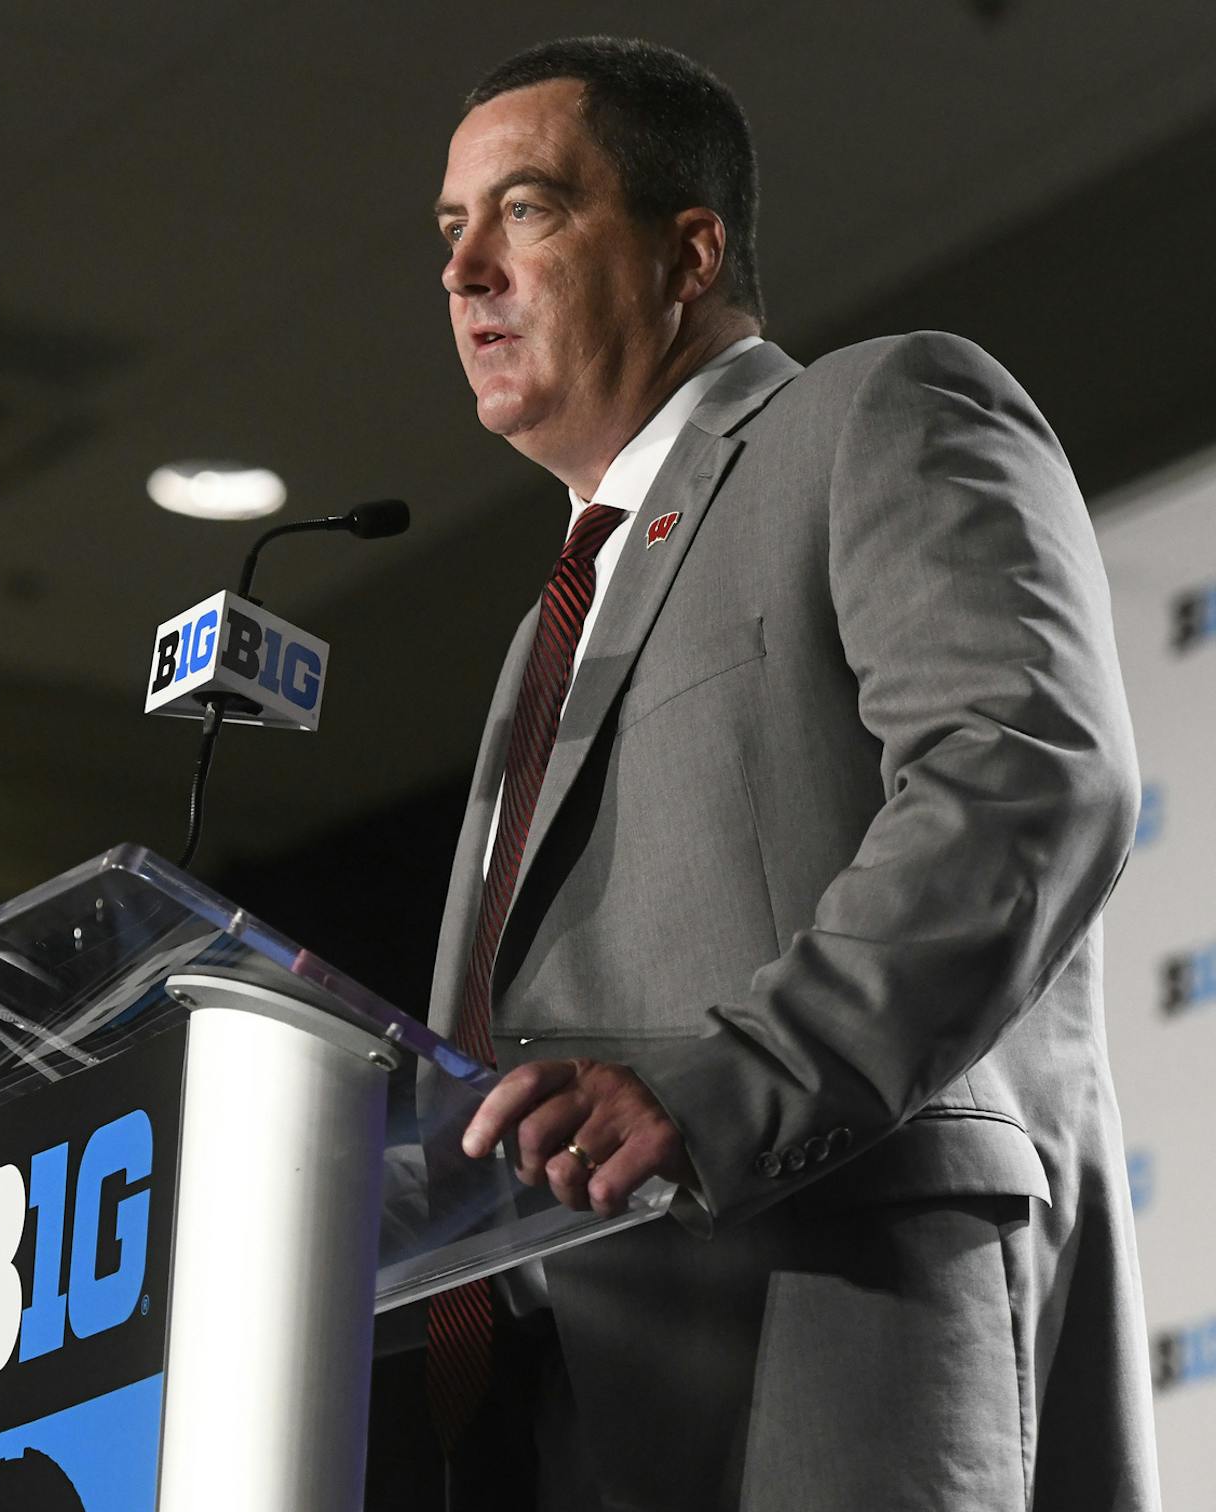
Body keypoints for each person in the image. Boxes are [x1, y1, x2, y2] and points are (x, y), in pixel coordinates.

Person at [417, 35, 1159, 1512]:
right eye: (450, 233)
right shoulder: (544, 629)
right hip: (574, 1392)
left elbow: (1023, 778)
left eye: (529, 210)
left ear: (689, 253)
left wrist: (735, 1081)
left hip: (835, 1323)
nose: (465, 276)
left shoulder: (881, 414)